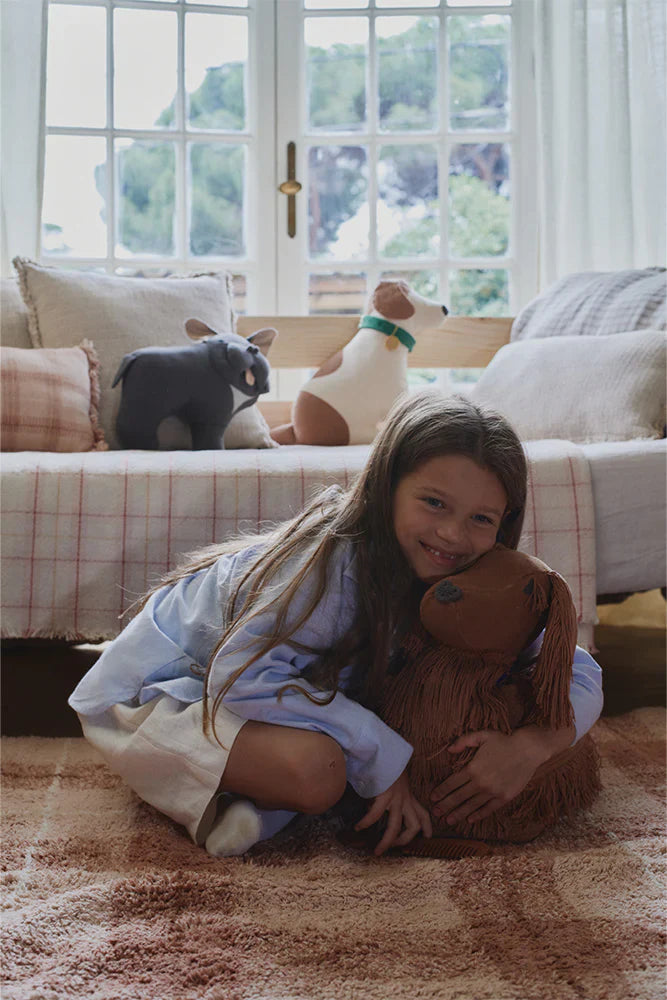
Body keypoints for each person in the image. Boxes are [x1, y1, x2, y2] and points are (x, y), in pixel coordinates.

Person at [69, 391, 603, 858]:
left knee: (355, 755)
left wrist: (534, 745)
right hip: (175, 688)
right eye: (434, 503)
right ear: (387, 487)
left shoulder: (476, 583)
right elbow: (241, 678)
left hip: (264, 698)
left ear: (504, 524)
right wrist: (385, 757)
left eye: (481, 519)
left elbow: (577, 671)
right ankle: (211, 791)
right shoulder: (332, 568)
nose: (452, 535)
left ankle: (253, 800)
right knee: (319, 772)